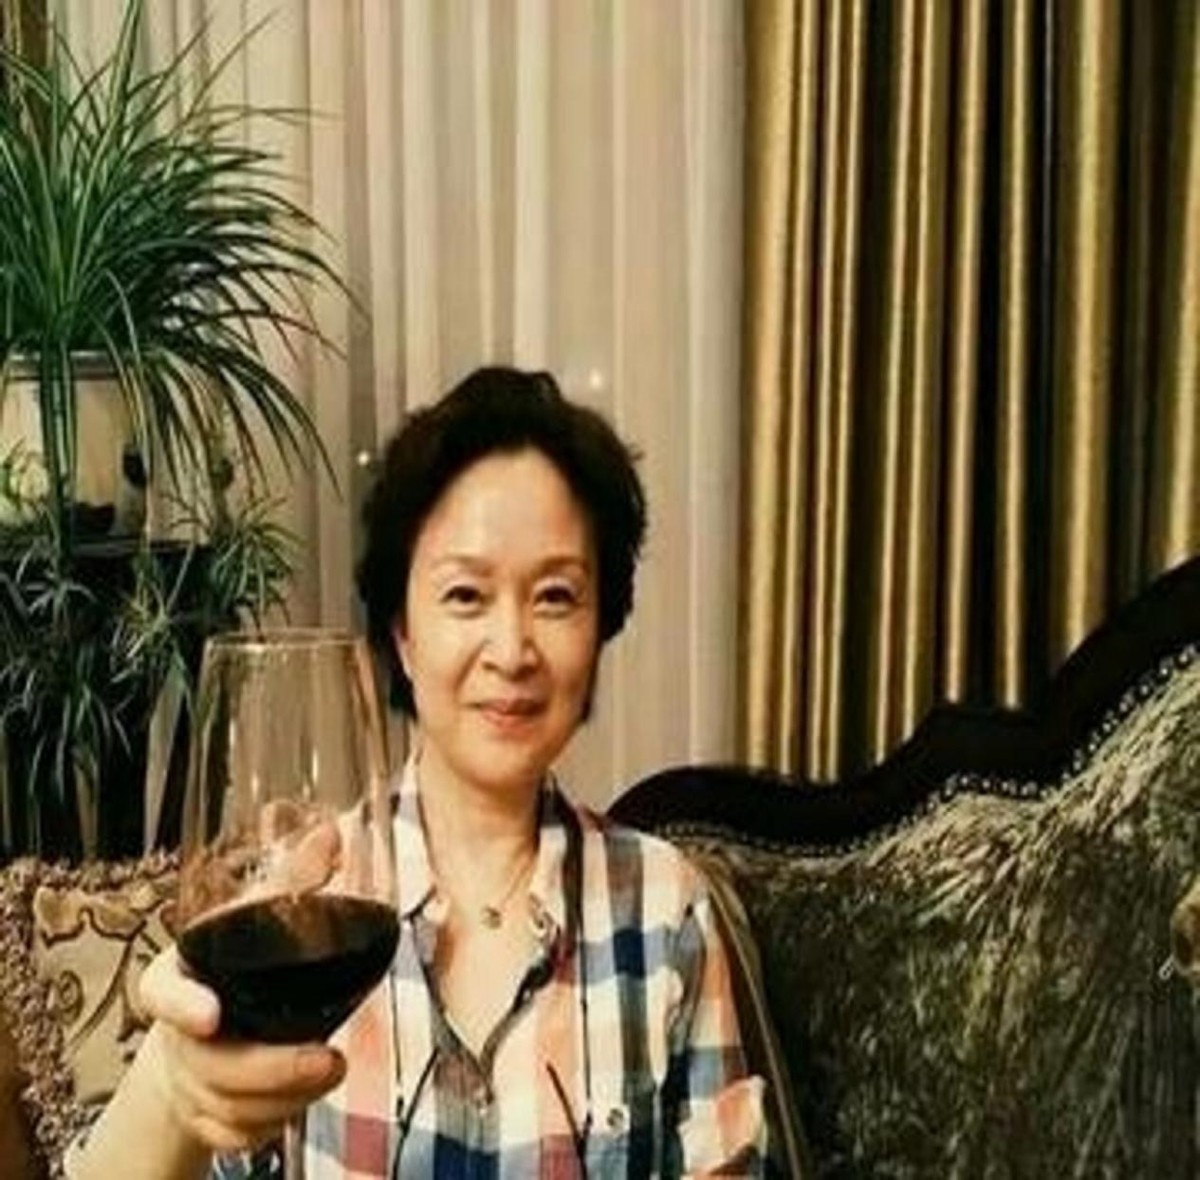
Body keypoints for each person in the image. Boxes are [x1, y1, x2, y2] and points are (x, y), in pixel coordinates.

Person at [69, 366, 767, 1178]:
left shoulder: (666, 907)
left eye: (555, 596)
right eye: (466, 595)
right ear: (401, 631)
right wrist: (170, 1085)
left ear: (600, 626)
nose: (512, 650)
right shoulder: (303, 899)